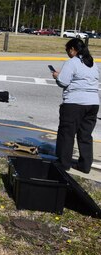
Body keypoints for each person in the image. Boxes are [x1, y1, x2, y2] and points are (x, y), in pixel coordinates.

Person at [51, 38, 99, 173]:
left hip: (74, 103)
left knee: (67, 133)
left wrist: (56, 76)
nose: (67, 53)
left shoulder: (72, 63)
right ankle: (85, 165)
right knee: (85, 135)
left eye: (67, 50)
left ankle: (63, 163)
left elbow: (63, 82)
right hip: (93, 103)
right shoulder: (92, 63)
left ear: (72, 49)